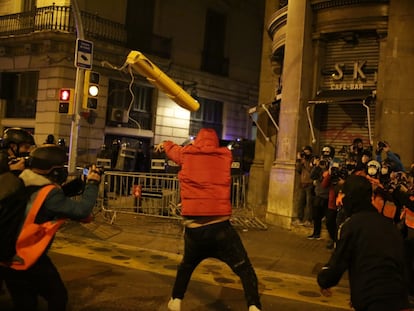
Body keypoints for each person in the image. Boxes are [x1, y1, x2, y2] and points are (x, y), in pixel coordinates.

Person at [155, 128, 262, 311]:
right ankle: (253, 306)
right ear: (216, 142)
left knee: (186, 266)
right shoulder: (225, 156)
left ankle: (176, 300)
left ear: (196, 141)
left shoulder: (186, 154)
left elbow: (172, 149)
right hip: (220, 227)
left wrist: (164, 144)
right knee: (244, 268)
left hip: (194, 229)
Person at [2, 144, 102, 311]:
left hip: (6, 255)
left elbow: (49, 197)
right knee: (57, 296)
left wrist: (79, 183)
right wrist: (92, 184)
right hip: (28, 257)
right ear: (53, 170)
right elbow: (81, 210)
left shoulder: (21, 181)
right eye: (61, 167)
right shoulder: (49, 193)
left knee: (25, 304)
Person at [317, 175, 410, 311]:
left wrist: (324, 280)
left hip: (373, 301)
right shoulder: (389, 226)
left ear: (351, 198)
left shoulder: (352, 225)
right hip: (399, 300)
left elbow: (338, 262)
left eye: (344, 194)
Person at [294, 145, 314, 226]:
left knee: (309, 203)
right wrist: (299, 160)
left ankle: (308, 220)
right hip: (302, 184)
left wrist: (305, 161)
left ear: (310, 152)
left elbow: (311, 171)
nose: (305, 154)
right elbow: (298, 170)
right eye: (304, 152)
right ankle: (299, 219)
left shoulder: (312, 160)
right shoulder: (303, 160)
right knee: (301, 203)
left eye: (307, 152)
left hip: (310, 184)